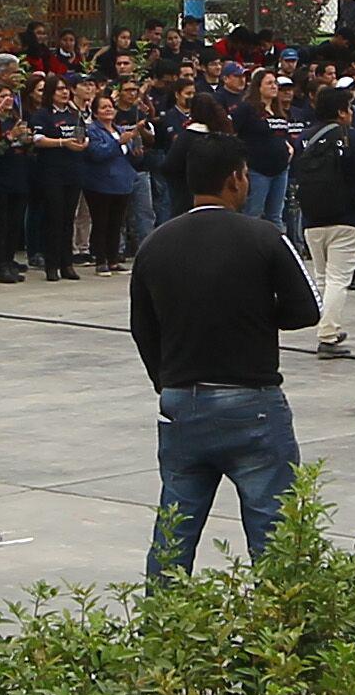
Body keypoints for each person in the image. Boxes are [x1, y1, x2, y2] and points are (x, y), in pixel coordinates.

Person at [127, 131, 323, 575]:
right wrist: (254, 318)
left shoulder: (154, 244)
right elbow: (307, 310)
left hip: (181, 402)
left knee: (174, 530)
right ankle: (282, 626)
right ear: (236, 179)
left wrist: (169, 381)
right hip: (251, 402)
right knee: (274, 529)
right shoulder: (264, 236)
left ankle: (162, 624)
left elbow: (142, 328)